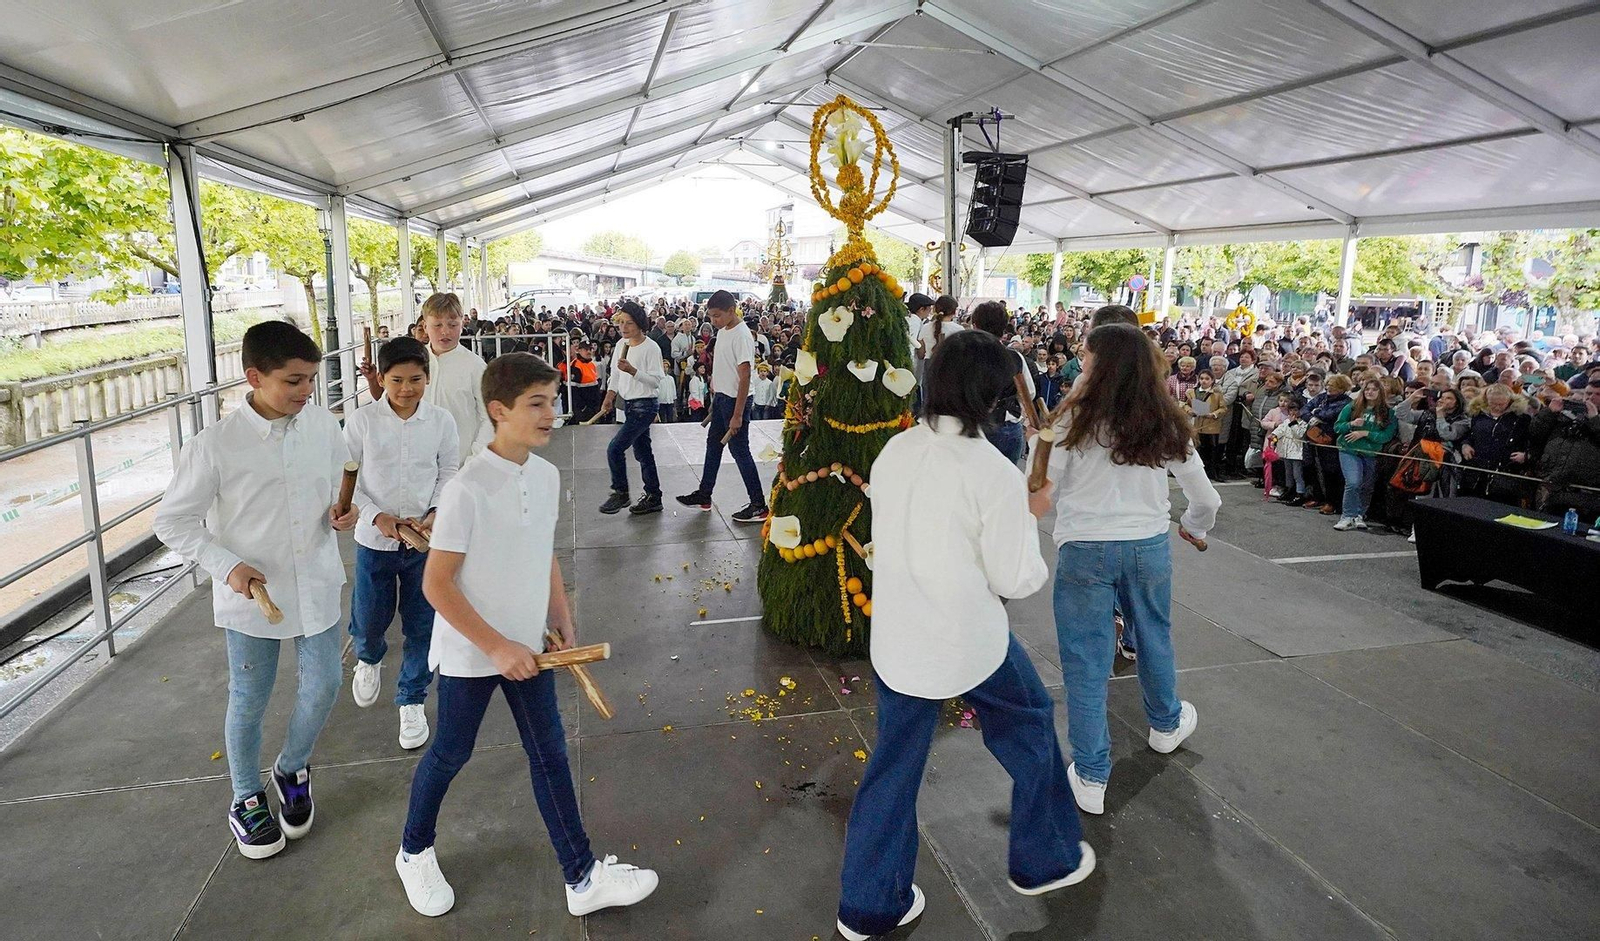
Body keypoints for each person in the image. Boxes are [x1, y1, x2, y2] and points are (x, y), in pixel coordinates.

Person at [836, 330, 1094, 941]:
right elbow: (1015, 577)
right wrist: (1029, 516)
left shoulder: (895, 450)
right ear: (992, 394)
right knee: (1029, 722)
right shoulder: (992, 471)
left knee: (893, 768)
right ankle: (1045, 859)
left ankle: (869, 907)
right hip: (968, 642)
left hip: (899, 639)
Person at [395, 353, 659, 918]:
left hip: (530, 647)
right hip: (474, 651)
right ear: (499, 411)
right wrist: (496, 647)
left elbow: (545, 553)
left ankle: (582, 878)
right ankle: (413, 850)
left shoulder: (545, 475)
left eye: (553, 400)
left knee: (550, 754)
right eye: (536, 403)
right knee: (450, 752)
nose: (551, 412)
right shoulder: (467, 489)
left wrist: (559, 614)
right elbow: (437, 587)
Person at [153, 321, 359, 860]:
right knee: (249, 697)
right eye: (293, 381)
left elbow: (337, 488)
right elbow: (173, 522)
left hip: (314, 580)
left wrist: (344, 513)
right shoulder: (214, 445)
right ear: (254, 377)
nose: (306, 392)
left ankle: (292, 767)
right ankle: (245, 796)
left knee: (324, 684)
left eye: (311, 380)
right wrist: (227, 566)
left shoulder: (322, 426)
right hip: (250, 595)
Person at [1043, 322, 1221, 816]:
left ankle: (1092, 773)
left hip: (1083, 548)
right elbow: (1206, 497)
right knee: (1154, 634)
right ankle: (1165, 725)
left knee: (1084, 659)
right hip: (1147, 545)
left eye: (1085, 355)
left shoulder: (1070, 420)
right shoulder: (1164, 418)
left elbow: (1039, 490)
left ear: (1097, 364)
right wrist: (1194, 526)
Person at [344, 337, 460, 750]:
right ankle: (368, 657)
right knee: (370, 617)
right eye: (396, 380)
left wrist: (433, 514)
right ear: (380, 377)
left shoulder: (442, 422)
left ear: (427, 377)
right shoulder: (361, 422)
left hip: (424, 543)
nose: (406, 389)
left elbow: (449, 471)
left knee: (422, 624)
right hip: (374, 540)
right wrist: (379, 517)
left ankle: (411, 700)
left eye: (415, 379)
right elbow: (347, 481)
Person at [676, 290, 769, 523]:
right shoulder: (724, 332)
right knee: (713, 446)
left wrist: (737, 415)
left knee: (740, 451)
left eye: (717, 316)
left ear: (731, 310)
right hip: (722, 399)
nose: (713, 321)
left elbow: (745, 376)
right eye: (710, 316)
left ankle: (758, 504)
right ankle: (704, 494)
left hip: (736, 401)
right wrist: (716, 398)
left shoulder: (742, 335)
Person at [595, 301, 666, 516]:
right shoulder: (620, 345)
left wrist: (633, 370)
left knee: (615, 448)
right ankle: (653, 496)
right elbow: (615, 375)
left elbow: (655, 381)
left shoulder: (651, 347)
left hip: (645, 405)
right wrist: (609, 396)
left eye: (629, 323)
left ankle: (621, 492)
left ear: (640, 323)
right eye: (621, 323)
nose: (624, 328)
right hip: (628, 404)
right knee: (643, 452)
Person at [420, 293, 492, 460]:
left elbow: (489, 417)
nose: (445, 331)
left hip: (461, 464)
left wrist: (474, 459)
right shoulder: (413, 361)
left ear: (462, 325)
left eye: (452, 325)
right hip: (418, 466)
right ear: (425, 326)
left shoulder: (475, 366)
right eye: (437, 325)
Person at [970, 301, 1040, 463]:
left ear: (975, 325)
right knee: (1007, 483)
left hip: (974, 426)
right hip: (1007, 427)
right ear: (1004, 328)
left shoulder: (964, 356)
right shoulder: (1015, 357)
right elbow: (1029, 392)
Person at [1332, 378, 1398, 531]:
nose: (1370, 392)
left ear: (1380, 392)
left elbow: (1386, 436)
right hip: (1349, 450)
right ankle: (1347, 515)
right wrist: (1351, 425)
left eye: (1374, 389)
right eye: (1367, 389)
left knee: (1367, 485)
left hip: (1371, 452)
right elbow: (1337, 427)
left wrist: (1365, 433)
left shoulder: (1389, 413)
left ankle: (1359, 514)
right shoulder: (1352, 407)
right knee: (1353, 482)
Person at [1527, 384, 1600, 521]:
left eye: (1597, 394)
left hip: (1585, 491)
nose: (1591, 398)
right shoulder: (1563, 416)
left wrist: (1595, 420)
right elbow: (1535, 434)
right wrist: (1549, 413)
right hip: (1551, 483)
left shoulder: (1595, 420)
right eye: (1588, 393)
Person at [1268, 392, 1308, 505]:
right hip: (1285, 452)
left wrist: (1293, 423)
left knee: (1297, 474)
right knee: (1288, 473)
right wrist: (1274, 435)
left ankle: (1300, 493)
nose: (1293, 413)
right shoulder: (1286, 422)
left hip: (1296, 453)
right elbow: (1281, 430)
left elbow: (1299, 434)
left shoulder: (1303, 423)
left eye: (1296, 410)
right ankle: (1289, 490)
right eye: (1291, 410)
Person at [1185, 370, 1225, 481]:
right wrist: (1189, 411)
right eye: (1202, 378)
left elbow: (1223, 408)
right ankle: (1198, 474)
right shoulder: (1192, 392)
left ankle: (1211, 472)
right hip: (1197, 425)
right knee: (1198, 450)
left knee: (1211, 450)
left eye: (1207, 379)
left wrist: (1214, 414)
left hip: (1211, 426)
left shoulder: (1217, 394)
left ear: (1212, 380)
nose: (1204, 381)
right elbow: (1183, 404)